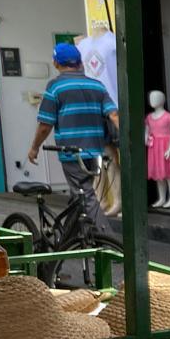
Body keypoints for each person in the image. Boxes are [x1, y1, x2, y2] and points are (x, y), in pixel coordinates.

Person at [29, 43, 118, 232]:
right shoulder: (97, 85)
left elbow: (45, 125)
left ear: (55, 63)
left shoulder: (55, 87)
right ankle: (68, 239)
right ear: (79, 62)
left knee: (86, 196)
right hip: (95, 152)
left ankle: (108, 242)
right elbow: (114, 115)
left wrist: (34, 148)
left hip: (72, 152)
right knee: (78, 195)